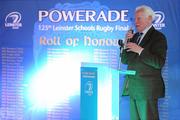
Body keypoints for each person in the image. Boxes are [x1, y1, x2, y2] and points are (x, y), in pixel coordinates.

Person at [121, 5, 167, 120]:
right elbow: (125, 60)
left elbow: (158, 62)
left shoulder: (158, 37)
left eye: (139, 18)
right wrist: (126, 42)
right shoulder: (135, 37)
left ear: (149, 18)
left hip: (147, 91)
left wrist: (140, 50)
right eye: (135, 19)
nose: (136, 22)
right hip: (133, 89)